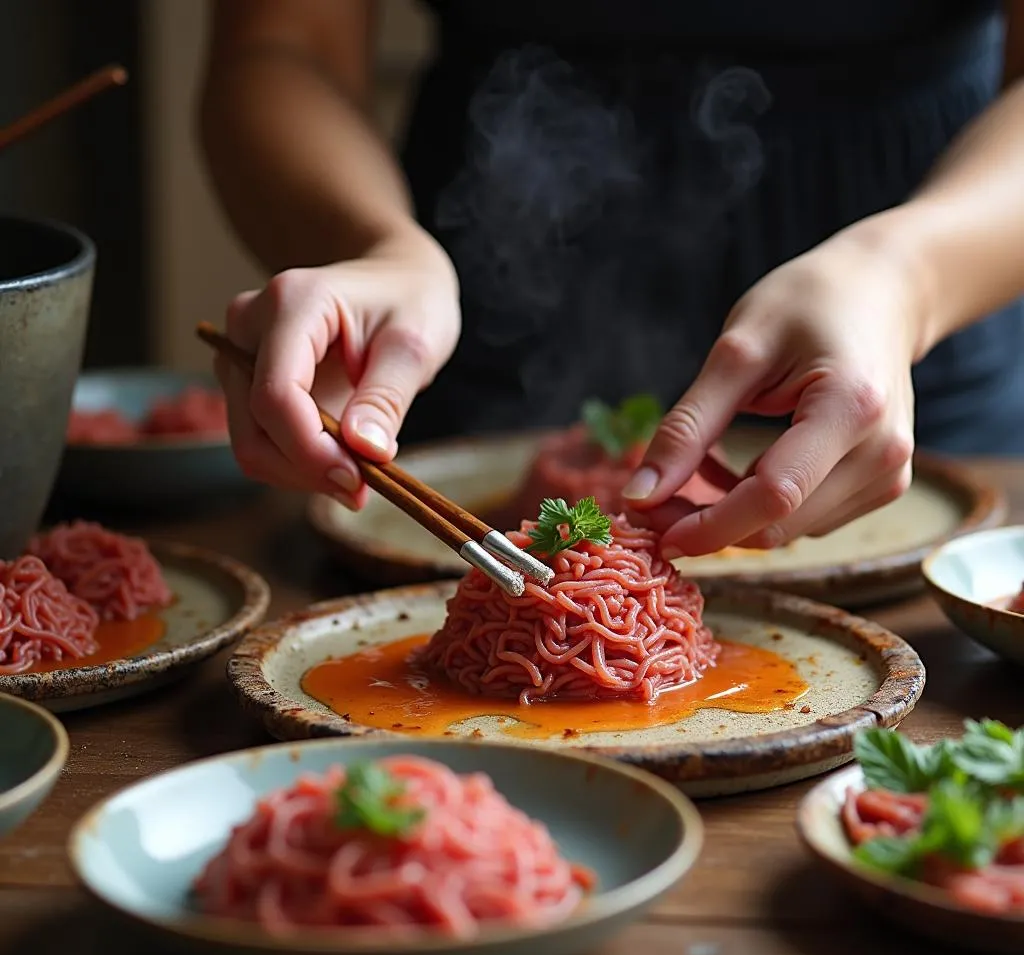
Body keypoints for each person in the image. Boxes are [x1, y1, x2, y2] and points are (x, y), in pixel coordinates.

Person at [199, 0, 1024, 559]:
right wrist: (373, 242)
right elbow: (281, 46)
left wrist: (902, 277)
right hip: (464, 322)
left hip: (916, 331)